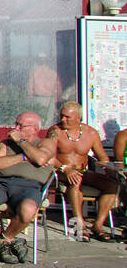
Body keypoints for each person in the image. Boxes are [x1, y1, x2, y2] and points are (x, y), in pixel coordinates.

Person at [0, 112, 58, 264]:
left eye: (21, 125)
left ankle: (5, 239)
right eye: (16, 123)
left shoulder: (45, 143)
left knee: (28, 211)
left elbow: (40, 159)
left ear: (34, 129)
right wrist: (24, 157)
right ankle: (5, 239)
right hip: (0, 183)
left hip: (30, 185)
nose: (15, 127)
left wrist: (21, 142)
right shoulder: (6, 143)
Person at [48, 101, 116, 241]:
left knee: (113, 185)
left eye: (67, 117)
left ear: (78, 117)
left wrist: (110, 170)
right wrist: (65, 168)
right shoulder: (55, 131)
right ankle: (80, 224)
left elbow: (102, 156)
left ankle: (98, 225)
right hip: (61, 171)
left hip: (82, 171)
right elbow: (48, 156)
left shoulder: (90, 133)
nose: (63, 120)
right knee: (75, 179)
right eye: (62, 116)